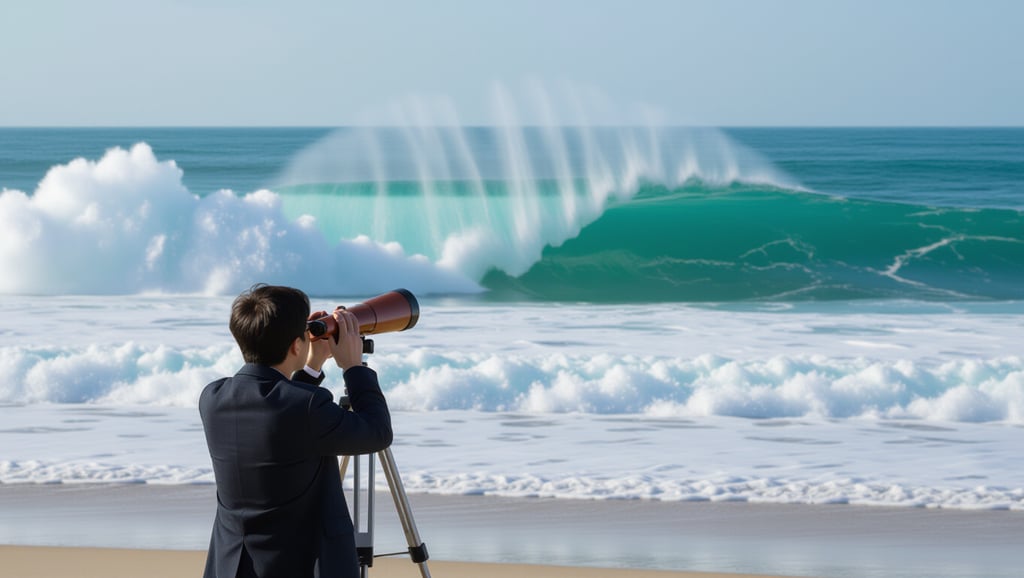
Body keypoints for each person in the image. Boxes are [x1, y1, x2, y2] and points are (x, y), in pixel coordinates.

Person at [199, 284, 393, 578]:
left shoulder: (213, 398)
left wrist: (312, 364)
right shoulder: (307, 407)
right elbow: (377, 432)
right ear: (295, 345)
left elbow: (283, 417)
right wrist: (354, 368)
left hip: (235, 567)